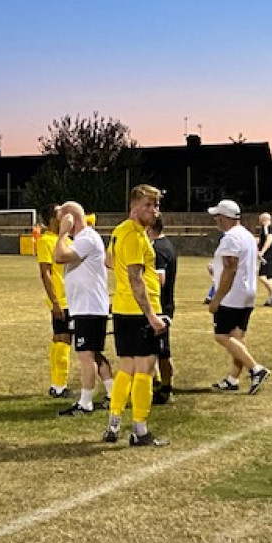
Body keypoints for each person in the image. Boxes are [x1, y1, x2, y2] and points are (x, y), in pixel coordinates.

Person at [103, 184, 169, 447]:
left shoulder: (120, 230)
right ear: (134, 207)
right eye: (147, 206)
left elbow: (109, 261)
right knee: (145, 371)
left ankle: (114, 423)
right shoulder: (134, 235)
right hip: (139, 311)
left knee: (126, 368)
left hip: (122, 309)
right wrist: (152, 316)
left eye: (156, 205)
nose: (153, 211)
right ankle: (140, 430)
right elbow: (135, 278)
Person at [54, 201, 114, 416]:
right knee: (94, 354)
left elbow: (59, 257)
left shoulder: (87, 238)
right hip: (86, 306)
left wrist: (62, 234)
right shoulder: (82, 239)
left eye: (63, 219)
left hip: (89, 307)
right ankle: (113, 394)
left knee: (85, 355)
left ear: (71, 218)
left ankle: (85, 403)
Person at [208, 200, 271, 394]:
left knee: (222, 335)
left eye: (218, 216)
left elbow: (230, 268)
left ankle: (256, 368)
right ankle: (232, 379)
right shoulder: (246, 235)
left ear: (224, 217)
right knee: (237, 337)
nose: (216, 219)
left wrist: (216, 298)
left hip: (232, 295)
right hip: (247, 292)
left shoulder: (231, 238)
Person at [36, 204, 72, 398]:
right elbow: (45, 273)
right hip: (62, 300)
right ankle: (60, 386)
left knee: (61, 338)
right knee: (63, 339)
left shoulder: (64, 240)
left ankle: (56, 384)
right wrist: (55, 302)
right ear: (52, 219)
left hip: (72, 298)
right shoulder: (46, 241)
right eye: (61, 214)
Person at [148, 215, 177, 404]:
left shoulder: (158, 249)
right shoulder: (166, 244)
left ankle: (165, 388)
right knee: (156, 349)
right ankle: (158, 382)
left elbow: (160, 279)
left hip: (160, 306)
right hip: (162, 304)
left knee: (162, 350)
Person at [257, 212, 272, 306]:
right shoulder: (269, 228)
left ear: (263, 220)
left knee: (262, 276)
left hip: (269, 255)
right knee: (271, 277)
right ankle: (271, 299)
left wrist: (262, 252)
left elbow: (270, 238)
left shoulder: (266, 227)